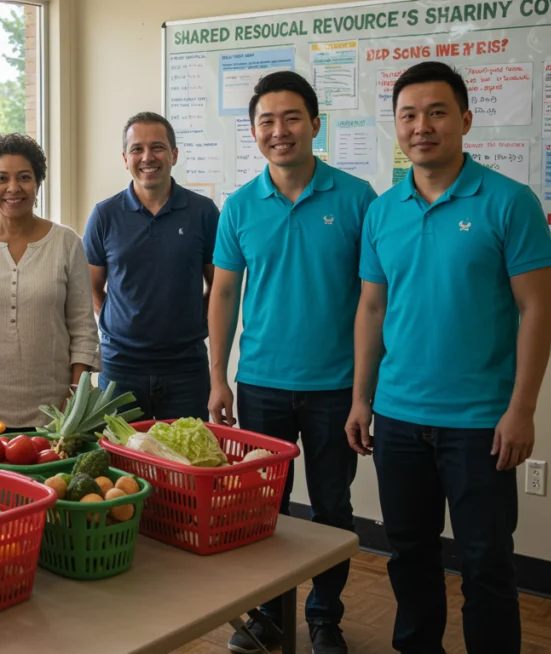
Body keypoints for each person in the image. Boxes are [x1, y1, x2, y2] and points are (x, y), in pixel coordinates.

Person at [346, 61, 551, 654]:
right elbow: (371, 309)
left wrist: (523, 409)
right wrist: (363, 398)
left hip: (480, 423)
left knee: (487, 564)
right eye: (408, 115)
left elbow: (536, 310)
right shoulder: (382, 211)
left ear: (464, 119)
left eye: (437, 112)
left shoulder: (510, 202)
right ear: (396, 126)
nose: (422, 126)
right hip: (399, 420)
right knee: (409, 555)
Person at [208, 71, 376, 654]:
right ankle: (268, 615)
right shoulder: (239, 206)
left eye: (291, 118)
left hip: (335, 387)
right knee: (262, 509)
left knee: (333, 508)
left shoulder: (357, 199)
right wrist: (217, 378)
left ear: (315, 123)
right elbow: (224, 294)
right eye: (266, 122)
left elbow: (374, 300)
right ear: (254, 132)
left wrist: (363, 392)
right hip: (260, 384)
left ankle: (324, 616)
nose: (279, 132)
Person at [0, 133, 99, 430]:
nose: (13, 188)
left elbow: (83, 329)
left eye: (24, 177)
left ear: (38, 185)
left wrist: (72, 402)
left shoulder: (67, 243)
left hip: (54, 416)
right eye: (1, 179)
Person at [82, 112, 218, 420]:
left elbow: (219, 284)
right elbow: (88, 286)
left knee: (187, 462)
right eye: (137, 149)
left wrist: (199, 319)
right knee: (119, 464)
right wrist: (118, 320)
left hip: (187, 367)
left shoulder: (203, 212)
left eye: (157, 147)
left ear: (174, 154)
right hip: (120, 367)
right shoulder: (105, 215)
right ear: (125, 158)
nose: (147, 157)